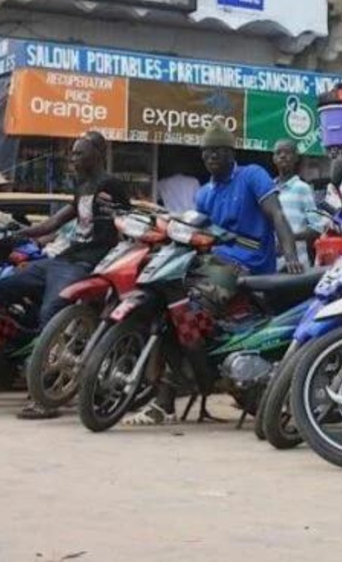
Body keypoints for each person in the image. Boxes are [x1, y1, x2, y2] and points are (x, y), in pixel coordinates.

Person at [124, 120, 302, 426]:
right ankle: (169, 392)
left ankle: (168, 398)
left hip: (247, 264)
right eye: (206, 152)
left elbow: (277, 213)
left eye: (218, 151)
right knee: (167, 306)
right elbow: (192, 227)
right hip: (211, 262)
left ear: (231, 152)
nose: (211, 157)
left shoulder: (252, 176)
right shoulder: (204, 193)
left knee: (191, 310)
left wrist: (292, 255)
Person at [0, 132, 129, 419]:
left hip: (85, 264)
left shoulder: (109, 186)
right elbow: (56, 221)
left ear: (97, 153)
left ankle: (44, 394)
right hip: (62, 258)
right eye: (72, 154)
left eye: (79, 153)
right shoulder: (83, 186)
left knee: (52, 310)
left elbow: (122, 224)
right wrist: (18, 233)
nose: (73, 159)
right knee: (7, 285)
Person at [273, 138, 321, 267]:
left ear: (296, 158)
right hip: (271, 263)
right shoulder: (268, 189)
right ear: (273, 158)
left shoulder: (302, 188)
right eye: (278, 153)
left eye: (287, 153)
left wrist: (288, 238)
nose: (283, 156)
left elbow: (317, 228)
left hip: (298, 262)